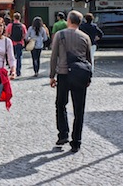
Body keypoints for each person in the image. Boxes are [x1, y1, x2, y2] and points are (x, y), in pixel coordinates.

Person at [49, 10, 91, 153]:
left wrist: (51, 75)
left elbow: (54, 57)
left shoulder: (60, 35)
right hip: (80, 74)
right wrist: (89, 76)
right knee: (79, 109)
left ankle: (63, 134)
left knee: (60, 104)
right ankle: (76, 141)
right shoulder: (85, 37)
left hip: (64, 73)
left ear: (69, 20)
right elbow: (89, 59)